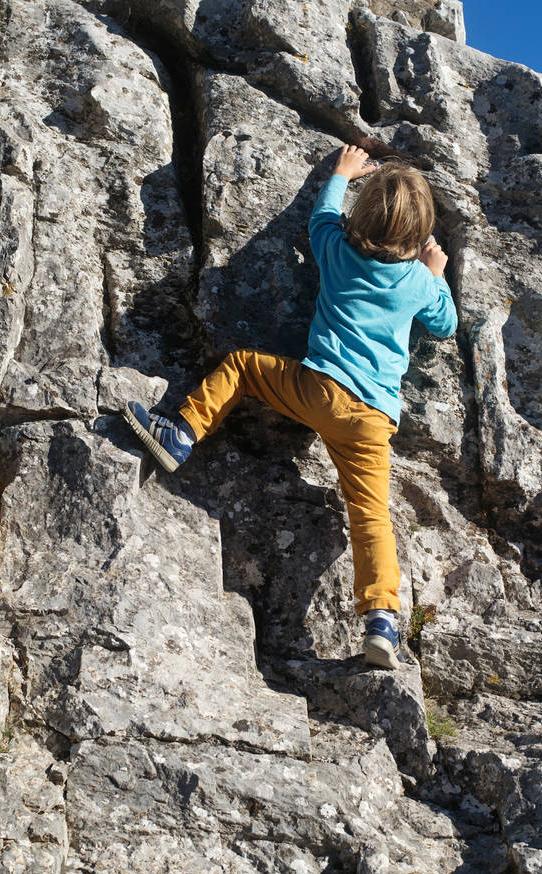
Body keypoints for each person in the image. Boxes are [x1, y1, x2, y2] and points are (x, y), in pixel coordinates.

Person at [124, 145, 457, 669]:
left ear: (364, 216)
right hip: (372, 421)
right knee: (371, 515)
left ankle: (180, 434)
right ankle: (382, 621)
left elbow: (321, 217)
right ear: (418, 234)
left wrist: (341, 174)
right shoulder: (418, 283)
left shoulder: (338, 250)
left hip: (317, 390)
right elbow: (445, 325)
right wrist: (434, 274)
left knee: (242, 368)